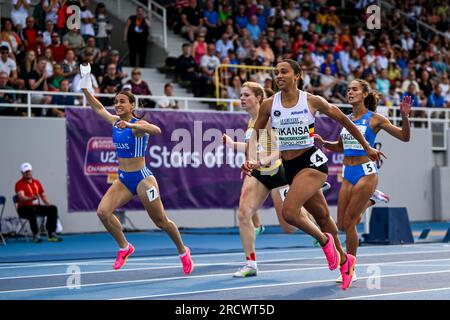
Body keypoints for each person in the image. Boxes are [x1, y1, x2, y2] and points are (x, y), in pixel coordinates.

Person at [243, 59, 383, 290]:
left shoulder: (311, 100)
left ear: (297, 75)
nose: (279, 75)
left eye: (284, 72)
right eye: (276, 72)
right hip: (289, 166)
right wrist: (249, 157)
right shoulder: (270, 104)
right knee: (323, 218)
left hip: (312, 163)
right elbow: (255, 132)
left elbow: (345, 120)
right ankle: (345, 262)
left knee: (289, 212)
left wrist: (367, 147)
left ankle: (324, 240)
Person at [79, 63, 194, 273]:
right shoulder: (114, 122)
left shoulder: (137, 127)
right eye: (116, 102)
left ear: (132, 105)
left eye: (122, 101)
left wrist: (131, 125)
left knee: (161, 222)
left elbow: (157, 129)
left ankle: (182, 251)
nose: (117, 105)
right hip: (123, 179)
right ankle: (125, 247)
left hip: (143, 180)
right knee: (103, 212)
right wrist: (85, 85)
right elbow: (97, 107)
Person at [314, 80, 411, 284]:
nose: (350, 92)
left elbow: (404, 137)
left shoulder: (375, 119)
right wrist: (325, 144)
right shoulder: (346, 119)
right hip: (348, 171)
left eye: (354, 89)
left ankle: (350, 267)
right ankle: (371, 200)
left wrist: (404, 116)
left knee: (350, 222)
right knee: (341, 223)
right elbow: (341, 146)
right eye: (348, 89)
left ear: (365, 94)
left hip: (366, 171)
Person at [223, 82, 298, 277]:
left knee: (291, 223)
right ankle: (251, 264)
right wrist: (233, 146)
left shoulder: (271, 119)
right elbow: (252, 149)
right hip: (259, 174)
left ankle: (322, 234)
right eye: (240, 95)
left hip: (278, 172)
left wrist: (262, 161)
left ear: (258, 98)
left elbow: (280, 151)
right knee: (243, 213)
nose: (241, 98)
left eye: (246, 95)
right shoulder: (251, 123)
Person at [15, 162, 62, 243]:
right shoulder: (19, 184)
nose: (28, 173)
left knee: (53, 208)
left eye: (29, 171)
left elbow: (43, 195)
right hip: (23, 209)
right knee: (31, 210)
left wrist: (47, 203)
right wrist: (31, 198)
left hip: (35, 207)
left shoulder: (36, 182)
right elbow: (21, 197)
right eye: (26, 172)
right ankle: (36, 235)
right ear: (22, 173)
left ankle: (51, 234)